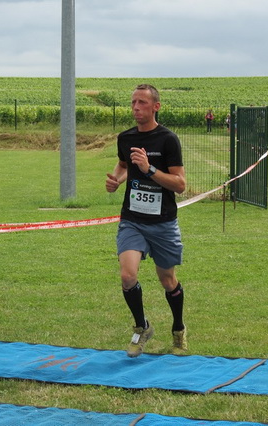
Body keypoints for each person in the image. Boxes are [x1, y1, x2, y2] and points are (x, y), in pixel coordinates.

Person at [105, 84, 187, 358]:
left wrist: (149, 169)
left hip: (163, 222)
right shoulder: (125, 138)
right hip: (133, 220)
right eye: (132, 102)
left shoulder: (168, 140)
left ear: (156, 107)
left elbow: (180, 184)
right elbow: (124, 165)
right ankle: (142, 327)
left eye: (141, 102)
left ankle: (178, 329)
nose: (136, 107)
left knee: (167, 280)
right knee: (128, 276)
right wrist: (116, 179)